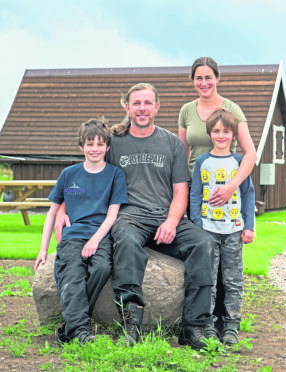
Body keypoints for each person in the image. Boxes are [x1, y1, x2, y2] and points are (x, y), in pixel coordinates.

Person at [55, 83, 216, 350]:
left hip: (165, 215)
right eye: (137, 103)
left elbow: (180, 192)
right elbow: (85, 175)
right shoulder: (114, 142)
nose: (142, 108)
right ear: (127, 107)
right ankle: (130, 324)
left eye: (147, 103)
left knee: (203, 244)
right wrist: (61, 209)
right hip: (129, 217)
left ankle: (194, 327)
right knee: (127, 244)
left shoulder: (172, 143)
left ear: (157, 107)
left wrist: (172, 222)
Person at [178, 56, 257, 332]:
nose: (203, 82)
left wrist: (231, 186)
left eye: (208, 77)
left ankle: (229, 323)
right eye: (198, 77)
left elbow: (251, 154)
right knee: (205, 262)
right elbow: (182, 153)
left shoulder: (231, 109)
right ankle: (204, 320)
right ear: (193, 81)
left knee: (231, 268)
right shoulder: (187, 110)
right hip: (197, 187)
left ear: (217, 78)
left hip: (229, 191)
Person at [34, 118, 128, 345]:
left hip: (101, 235)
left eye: (99, 144)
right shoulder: (69, 174)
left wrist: (95, 240)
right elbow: (51, 213)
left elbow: (112, 215)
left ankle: (69, 329)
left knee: (102, 267)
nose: (94, 149)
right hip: (73, 235)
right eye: (89, 144)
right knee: (73, 274)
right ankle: (82, 332)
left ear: (107, 147)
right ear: (81, 147)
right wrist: (43, 249)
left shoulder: (115, 175)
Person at [190, 109, 255, 345]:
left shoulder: (240, 163)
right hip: (208, 229)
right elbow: (195, 195)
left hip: (234, 230)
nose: (221, 135)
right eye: (216, 131)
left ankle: (231, 326)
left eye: (226, 131)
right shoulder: (202, 162)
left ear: (234, 135)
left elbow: (248, 194)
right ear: (209, 134)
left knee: (233, 279)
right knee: (209, 279)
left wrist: (249, 226)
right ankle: (208, 325)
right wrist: (197, 226)